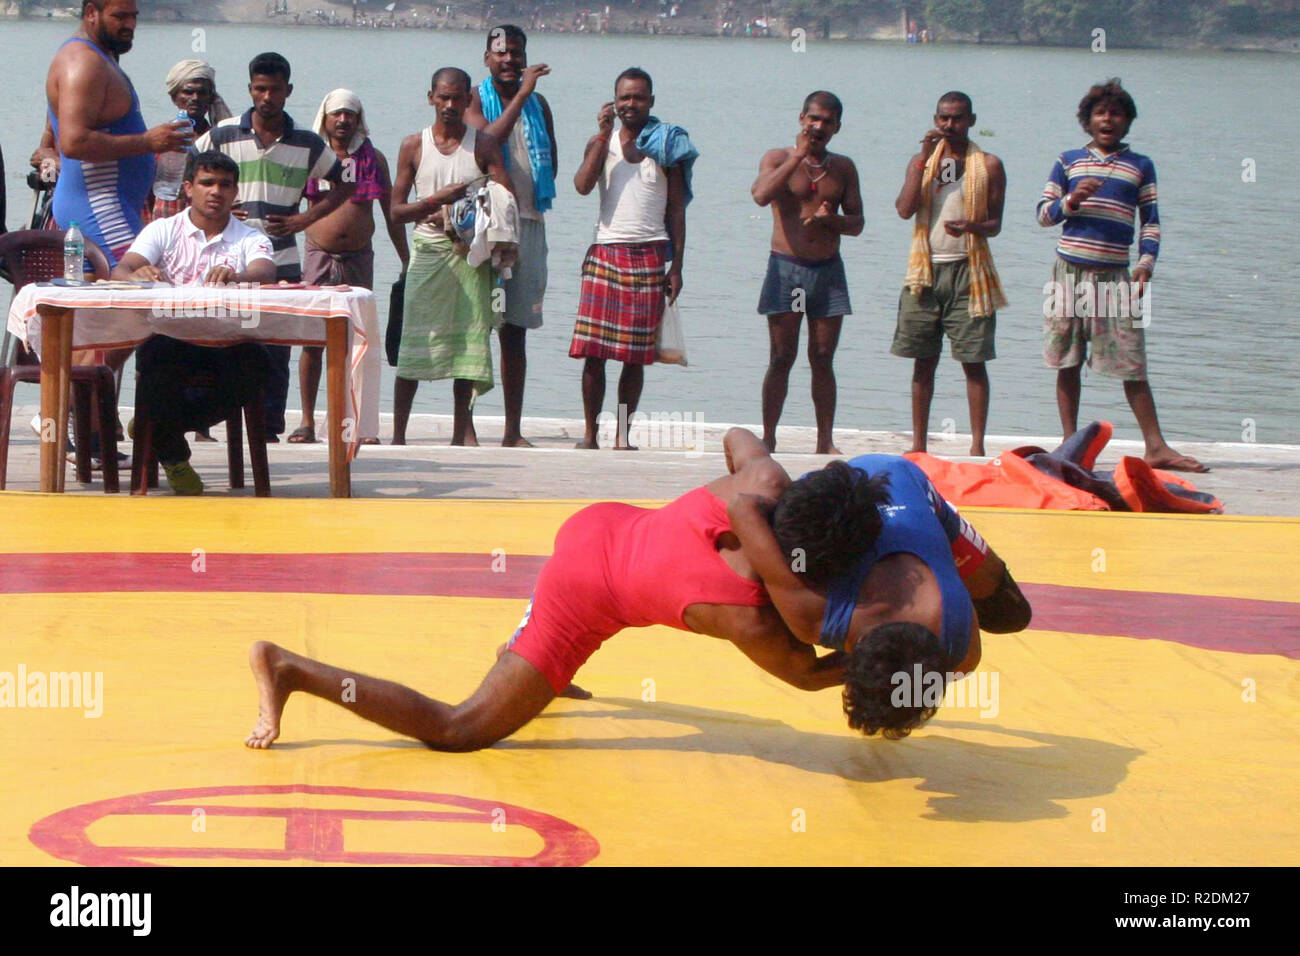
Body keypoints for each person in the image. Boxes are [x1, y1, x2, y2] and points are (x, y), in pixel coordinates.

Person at [243, 428, 853, 752]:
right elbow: (808, 674)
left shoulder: (765, 476)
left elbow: (738, 434)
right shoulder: (750, 618)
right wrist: (901, 660)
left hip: (602, 523)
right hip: (585, 590)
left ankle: (533, 660)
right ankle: (292, 668)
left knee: (553, 651)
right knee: (459, 728)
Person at [727, 447, 1031, 739]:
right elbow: (744, 507)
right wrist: (784, 516)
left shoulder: (814, 614)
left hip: (901, 488)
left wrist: (780, 516)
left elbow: (742, 507)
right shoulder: (814, 615)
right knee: (795, 544)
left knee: (1010, 615)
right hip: (844, 501)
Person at [1037, 78, 1206, 473]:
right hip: (1067, 273)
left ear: (1127, 122)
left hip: (1116, 276)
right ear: (1087, 121)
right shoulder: (1068, 161)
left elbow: (1151, 223)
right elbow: (1044, 214)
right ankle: (1069, 443)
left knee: (1133, 361)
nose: (1107, 119)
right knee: (1067, 359)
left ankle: (1156, 446)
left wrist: (1145, 265)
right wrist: (1072, 200)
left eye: (1116, 114)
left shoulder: (1139, 166)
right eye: (1100, 113)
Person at [193, 52, 354, 442]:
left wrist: (305, 220)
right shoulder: (222, 134)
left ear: (288, 91)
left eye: (275, 90)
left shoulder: (306, 142)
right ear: (250, 89)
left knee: (276, 343)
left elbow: (346, 183)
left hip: (281, 256)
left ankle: (267, 425)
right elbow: (188, 173)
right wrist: (218, 207)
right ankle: (204, 419)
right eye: (260, 89)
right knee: (218, 336)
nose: (267, 97)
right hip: (227, 258)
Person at [110, 151, 275, 494]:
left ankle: (151, 429)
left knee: (262, 363)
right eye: (207, 183)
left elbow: (265, 272)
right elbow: (121, 269)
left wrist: (236, 275)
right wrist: (139, 271)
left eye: (225, 185)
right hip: (172, 336)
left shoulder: (249, 236)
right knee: (155, 359)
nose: (216, 191)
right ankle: (173, 455)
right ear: (188, 188)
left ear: (235, 192)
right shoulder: (163, 230)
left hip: (230, 339)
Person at [389, 67, 515, 447]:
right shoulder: (414, 145)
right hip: (428, 252)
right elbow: (395, 211)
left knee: (469, 346)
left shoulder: (484, 144)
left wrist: (463, 212)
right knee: (414, 342)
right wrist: (434, 203)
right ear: (431, 98)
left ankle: (462, 433)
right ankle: (398, 436)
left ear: (467, 100)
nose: (449, 105)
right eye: (442, 97)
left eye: (457, 98)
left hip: (469, 255)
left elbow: (506, 201)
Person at [570, 67, 695, 450]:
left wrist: (678, 266)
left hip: (649, 254)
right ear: (614, 100)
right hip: (606, 251)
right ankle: (590, 434)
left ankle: (623, 436)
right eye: (624, 97)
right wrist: (602, 135)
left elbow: (676, 210)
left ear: (651, 101)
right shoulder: (601, 143)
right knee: (594, 353)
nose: (631, 104)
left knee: (635, 357)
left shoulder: (666, 145)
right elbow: (582, 186)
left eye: (638, 97)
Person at [288, 89, 407, 445]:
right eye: (336, 114)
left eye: (350, 114)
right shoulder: (311, 157)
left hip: (359, 257)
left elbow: (392, 215)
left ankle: (357, 423)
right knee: (312, 341)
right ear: (325, 118)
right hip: (317, 256)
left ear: (358, 120)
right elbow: (288, 204)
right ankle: (307, 421)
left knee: (360, 341)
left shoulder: (375, 159)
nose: (343, 120)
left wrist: (406, 258)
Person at [892, 91, 1006, 457]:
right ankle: (919, 444)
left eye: (957, 119)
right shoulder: (923, 163)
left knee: (974, 361)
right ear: (935, 119)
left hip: (969, 272)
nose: (949, 126)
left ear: (971, 120)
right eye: (943, 118)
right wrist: (920, 164)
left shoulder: (988, 164)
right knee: (923, 361)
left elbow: (995, 225)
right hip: (925, 270)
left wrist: (971, 225)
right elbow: (904, 209)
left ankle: (976, 445)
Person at [751, 91, 863, 455]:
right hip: (786, 267)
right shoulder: (778, 157)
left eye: (827, 122)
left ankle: (824, 440)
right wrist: (798, 156)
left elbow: (858, 223)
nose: (818, 127)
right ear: (801, 119)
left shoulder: (843, 168)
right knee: (781, 357)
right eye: (813, 119)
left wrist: (833, 221)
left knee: (823, 357)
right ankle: (768, 436)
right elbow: (761, 194)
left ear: (837, 127)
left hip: (827, 271)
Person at [465, 24, 559, 448]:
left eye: (516, 53)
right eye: (500, 53)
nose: (509, 60)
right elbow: (487, 143)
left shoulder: (540, 105)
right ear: (487, 59)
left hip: (530, 224)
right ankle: (463, 427)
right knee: (474, 326)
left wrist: (527, 97)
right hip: (484, 225)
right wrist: (521, 95)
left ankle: (511, 430)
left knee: (514, 330)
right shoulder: (471, 99)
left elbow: (551, 165)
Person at [44, 0, 192, 267]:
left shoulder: (102, 56)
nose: (130, 25)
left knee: (117, 301)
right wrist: (148, 141)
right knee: (140, 292)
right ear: (91, 13)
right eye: (119, 17)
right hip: (99, 208)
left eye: (133, 16)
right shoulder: (83, 62)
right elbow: (73, 142)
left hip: (112, 207)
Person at [146, 60, 233, 223]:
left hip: (209, 224)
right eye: (188, 92)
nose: (195, 98)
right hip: (166, 219)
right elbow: (144, 190)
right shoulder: (162, 138)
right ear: (174, 97)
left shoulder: (220, 139)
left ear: (210, 98)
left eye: (202, 93)